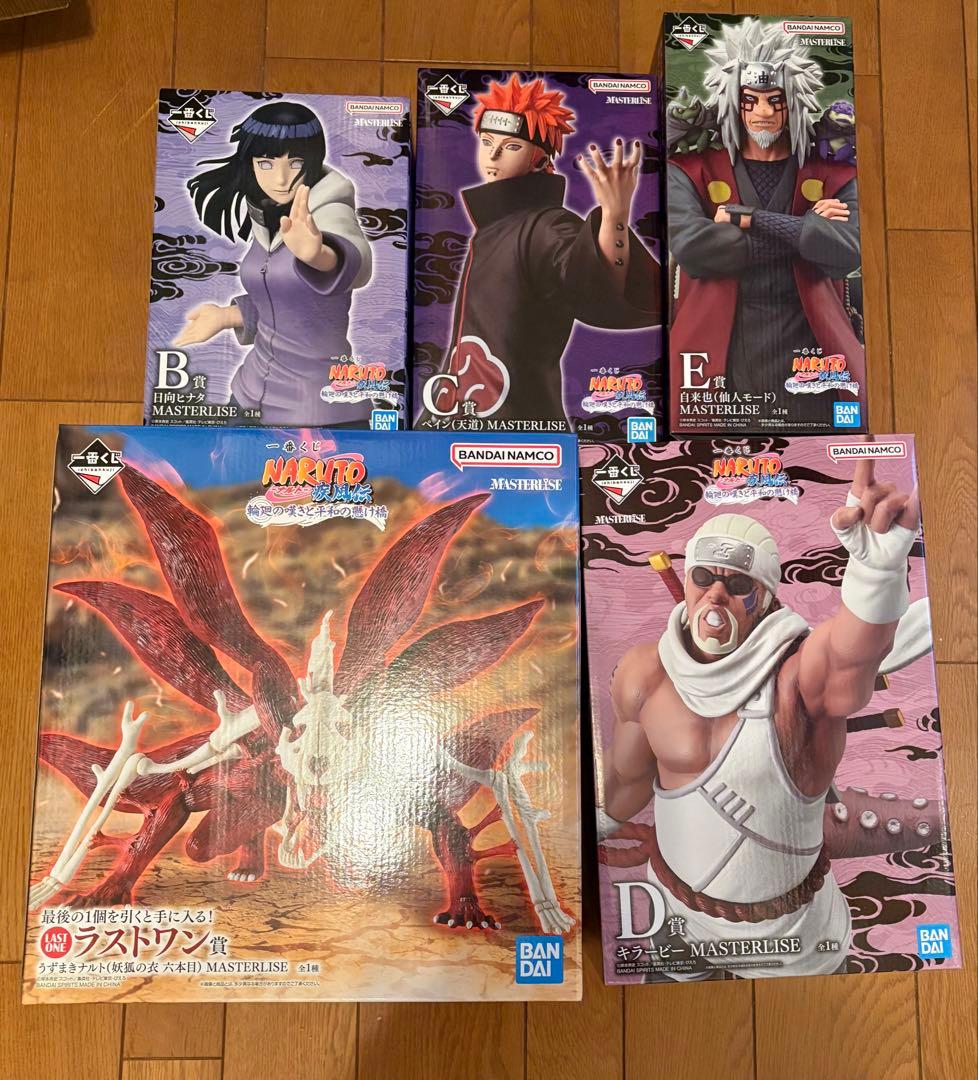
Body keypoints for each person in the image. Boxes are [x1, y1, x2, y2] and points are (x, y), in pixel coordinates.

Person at [600, 459, 935, 978]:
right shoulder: (645, 673)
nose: (715, 596)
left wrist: (876, 574)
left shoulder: (795, 679)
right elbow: (625, 784)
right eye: (704, 578)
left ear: (765, 600)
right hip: (674, 917)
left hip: (791, 940)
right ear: (686, 582)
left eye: (739, 585)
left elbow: (849, 656)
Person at [418, 73, 660, 427]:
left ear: (539, 158)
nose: (493, 155)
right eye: (486, 141)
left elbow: (590, 286)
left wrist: (614, 218)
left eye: (511, 146)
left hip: (520, 426)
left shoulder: (546, 225)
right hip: (460, 419)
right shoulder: (493, 227)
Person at [668, 18, 864, 428]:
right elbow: (694, 250)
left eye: (776, 100)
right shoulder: (689, 168)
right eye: (750, 100)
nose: (763, 112)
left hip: (815, 353)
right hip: (718, 354)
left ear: (795, 102)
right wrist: (805, 230)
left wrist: (750, 218)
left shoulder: (835, 172)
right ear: (730, 99)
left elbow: (846, 252)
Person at [175, 101, 372, 425]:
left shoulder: (328, 210)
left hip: (317, 406)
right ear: (250, 163)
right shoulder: (267, 215)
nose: (281, 179)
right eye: (265, 163)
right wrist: (226, 316)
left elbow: (356, 264)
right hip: (249, 394)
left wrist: (319, 255)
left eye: (296, 163)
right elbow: (284, 304)